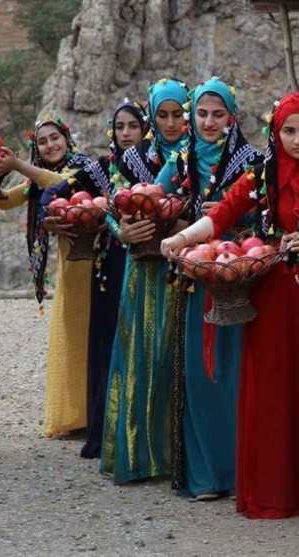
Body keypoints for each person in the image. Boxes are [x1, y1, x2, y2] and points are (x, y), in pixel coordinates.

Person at [161, 91, 299, 519]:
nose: (298, 139)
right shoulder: (259, 173)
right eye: (289, 131)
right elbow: (222, 215)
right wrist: (180, 239)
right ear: (276, 132)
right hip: (272, 299)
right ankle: (276, 491)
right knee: (273, 390)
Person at [154, 77, 263, 500]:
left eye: (218, 114)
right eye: (201, 113)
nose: (209, 122)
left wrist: (235, 222)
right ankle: (206, 475)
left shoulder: (253, 161)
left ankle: (245, 472)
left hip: (244, 279)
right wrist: (179, 221)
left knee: (239, 374)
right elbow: (147, 204)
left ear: (232, 116)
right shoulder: (179, 161)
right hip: (195, 283)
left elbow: (269, 218)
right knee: (201, 376)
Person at [40, 100, 148, 459]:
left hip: (151, 266)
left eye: (133, 126)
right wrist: (52, 217)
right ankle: (106, 432)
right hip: (110, 265)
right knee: (108, 344)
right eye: (120, 128)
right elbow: (56, 194)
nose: (127, 134)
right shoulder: (104, 169)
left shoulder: (161, 165)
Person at [99, 78, 190, 484]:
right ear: (152, 117)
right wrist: (121, 231)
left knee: (177, 356)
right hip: (142, 271)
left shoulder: (201, 156)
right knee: (141, 352)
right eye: (163, 115)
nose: (170, 123)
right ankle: (138, 455)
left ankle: (178, 458)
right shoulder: (132, 158)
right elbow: (108, 205)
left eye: (178, 114)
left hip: (185, 267)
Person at [0, 115, 93, 439]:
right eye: (42, 142)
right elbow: (4, 203)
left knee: (91, 339)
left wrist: (17, 164)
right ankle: (76, 417)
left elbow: (60, 184)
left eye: (54, 137)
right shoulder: (36, 181)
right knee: (71, 342)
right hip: (71, 269)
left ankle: (94, 414)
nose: (50, 145)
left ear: (67, 138)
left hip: (95, 265)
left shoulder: (84, 169)